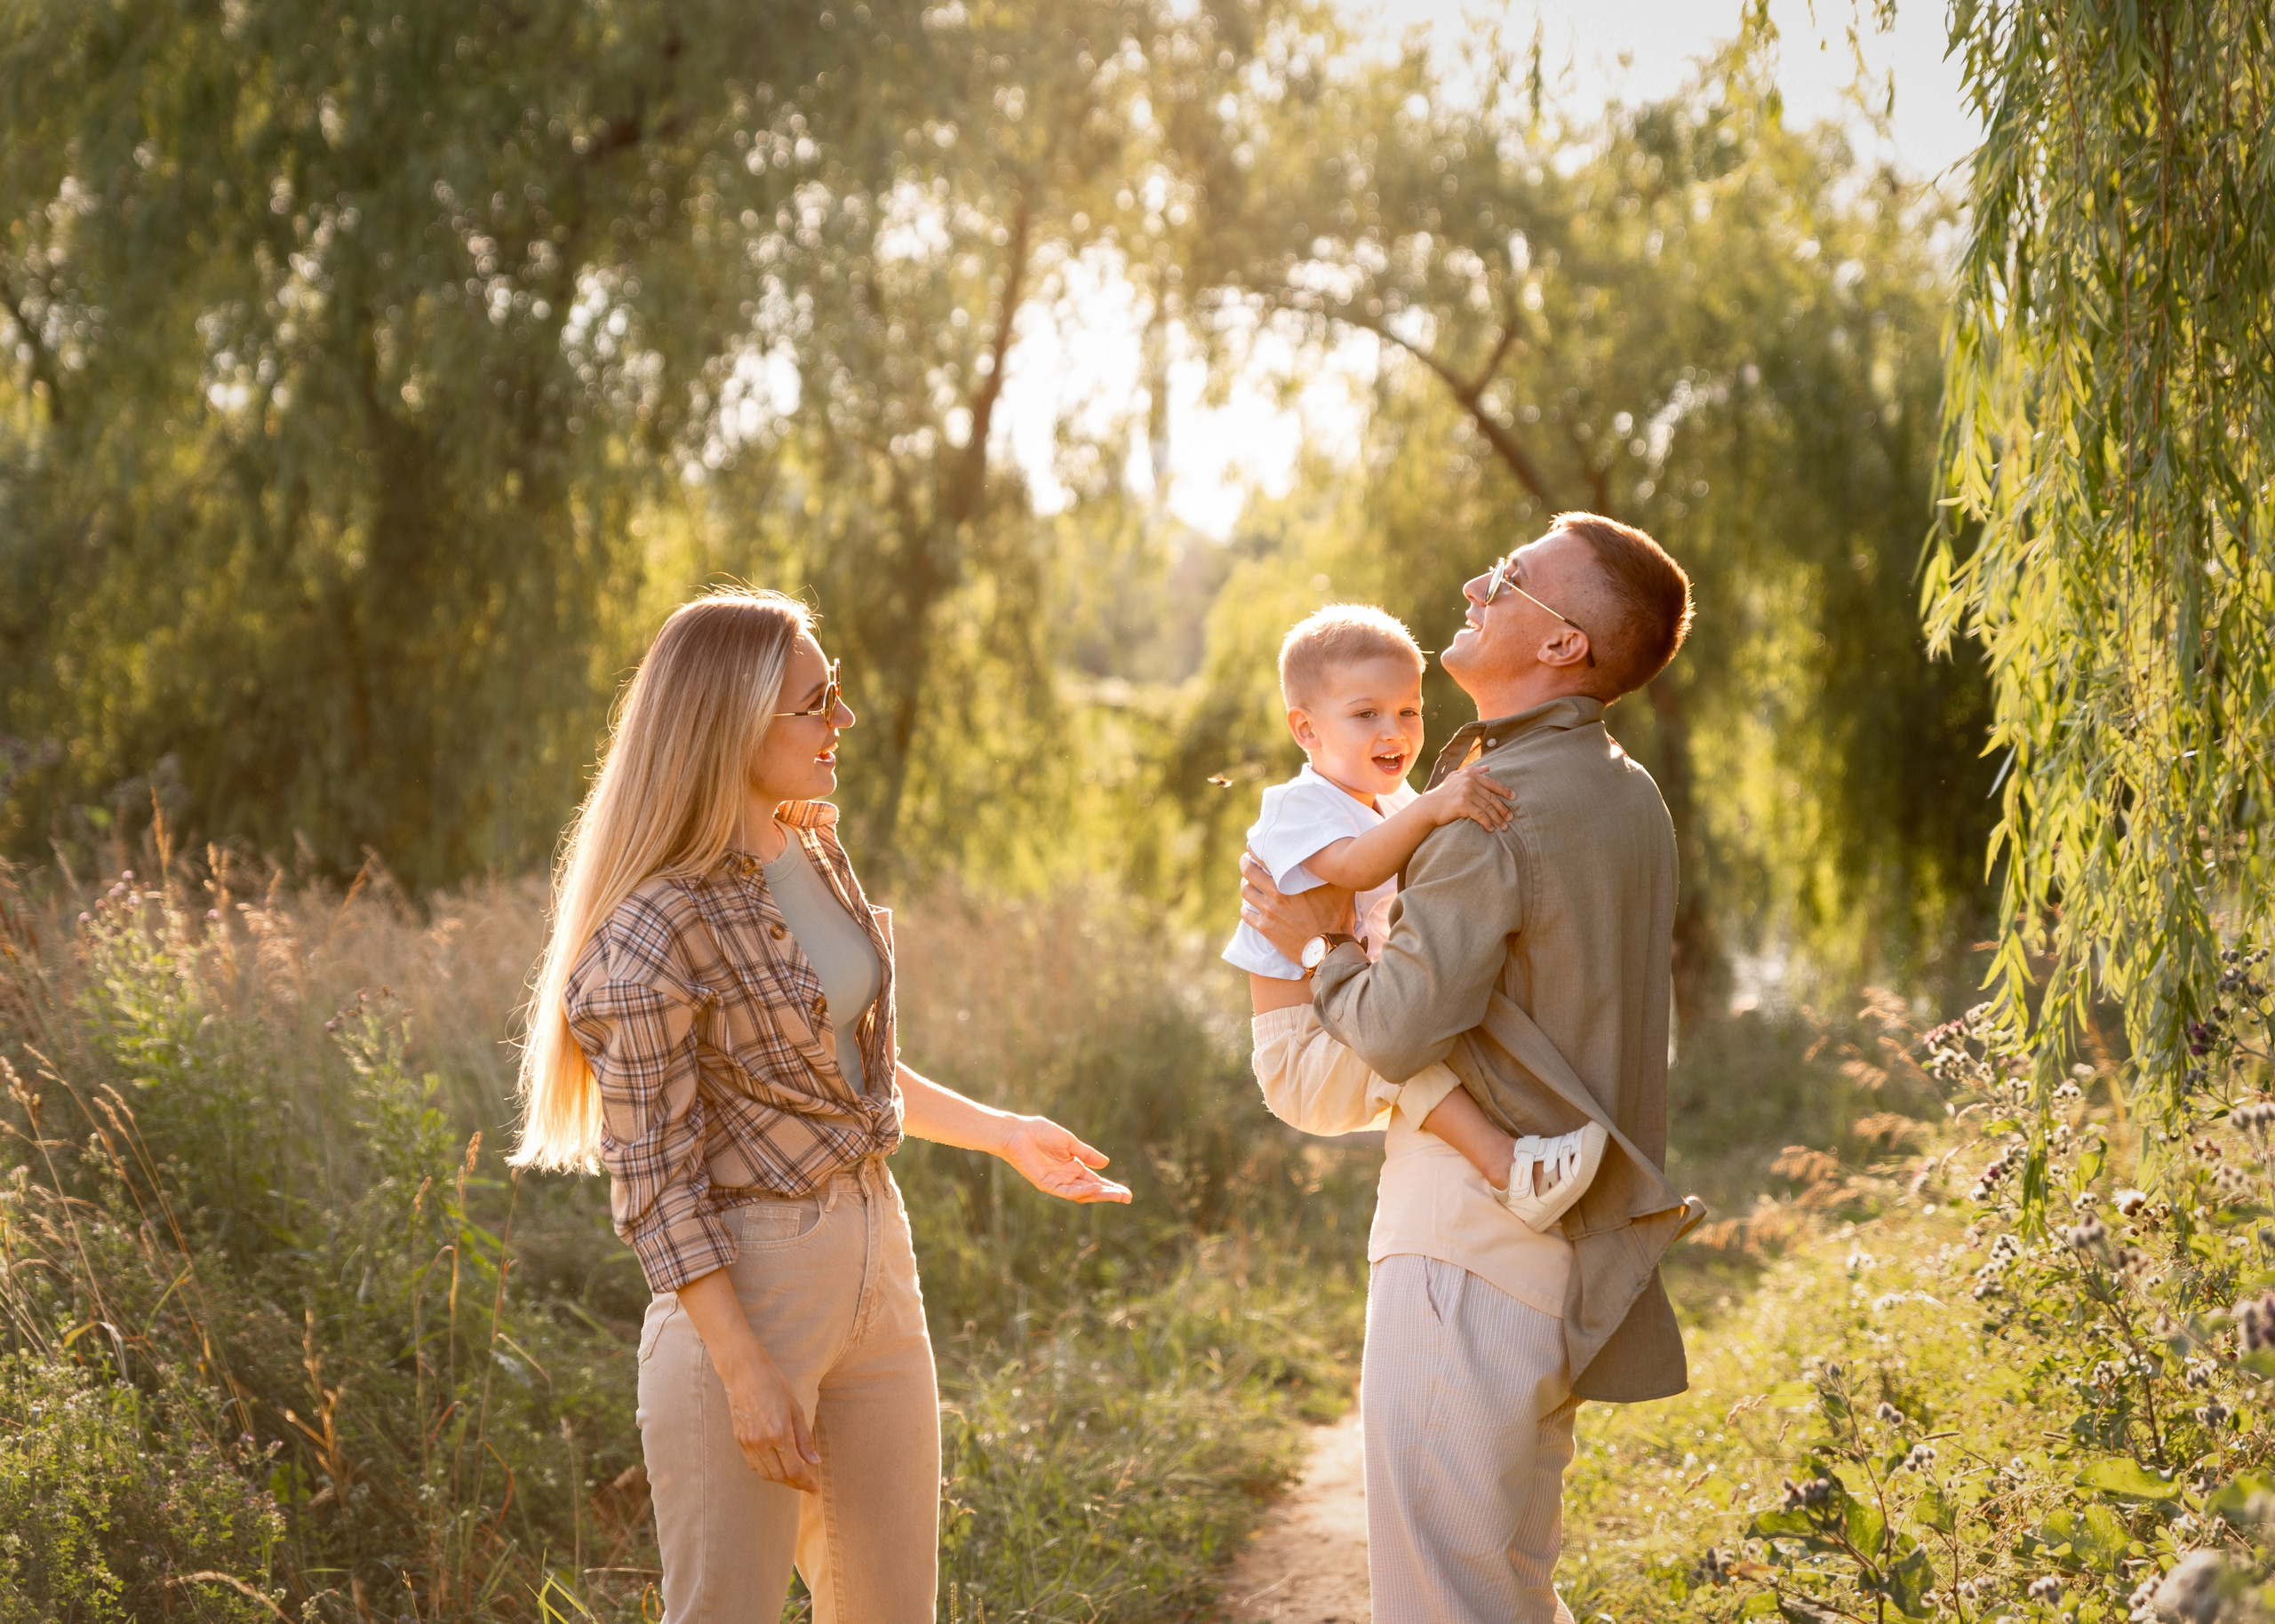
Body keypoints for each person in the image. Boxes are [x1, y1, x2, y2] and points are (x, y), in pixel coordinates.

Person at [511, 588, 1131, 1623]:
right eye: (817, 699)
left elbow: (844, 1081)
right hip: (743, 1295)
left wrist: (1003, 1133)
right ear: (732, 721)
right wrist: (748, 1372)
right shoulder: (653, 927)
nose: (842, 718)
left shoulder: (812, 851)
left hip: (879, 1262)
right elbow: (655, 1184)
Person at [1239, 513, 1703, 1624]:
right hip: (1561, 1247)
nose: (1474, 580)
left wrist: (1313, 946)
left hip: (1463, 1253)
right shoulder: (1626, 791)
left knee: (1441, 1599)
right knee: (1509, 1588)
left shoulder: (1494, 808)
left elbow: (1392, 1034)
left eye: (1510, 577)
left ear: (1561, 647)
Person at [1225, 603, 1605, 1229]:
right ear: (1306, 730)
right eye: (1365, 714)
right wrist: (1435, 809)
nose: (1394, 731)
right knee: (1405, 1051)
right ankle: (1510, 1169)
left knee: (1422, 1024)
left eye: (1409, 711)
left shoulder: (1392, 801)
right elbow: (1356, 869)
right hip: (1300, 1051)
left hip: (1341, 1011)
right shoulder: (1298, 806)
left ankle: (1517, 1148)